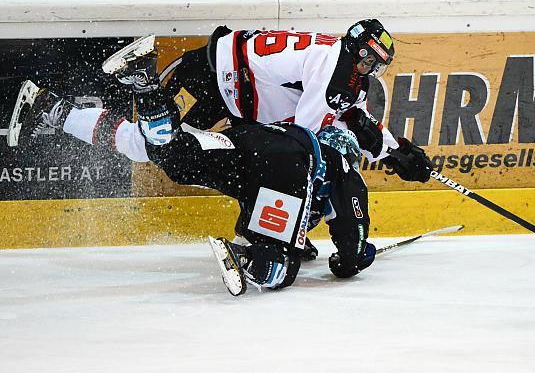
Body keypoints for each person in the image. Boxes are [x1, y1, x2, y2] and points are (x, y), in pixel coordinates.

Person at [9, 77, 391, 296]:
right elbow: (352, 247)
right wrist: (353, 257)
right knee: (279, 270)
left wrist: (300, 239)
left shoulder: (305, 138)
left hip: (253, 141)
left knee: (176, 158)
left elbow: (274, 203)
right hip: (287, 167)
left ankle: (137, 90)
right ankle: (251, 259)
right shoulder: (344, 170)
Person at [7, 20, 433, 186]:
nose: (369, 69)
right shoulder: (335, 67)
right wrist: (377, 152)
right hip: (211, 77)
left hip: (230, 88)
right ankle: (67, 105)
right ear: (354, 49)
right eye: (368, 59)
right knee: (152, 145)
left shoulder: (339, 68)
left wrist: (396, 151)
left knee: (151, 145)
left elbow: (350, 115)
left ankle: (51, 109)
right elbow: (306, 136)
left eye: (376, 65)